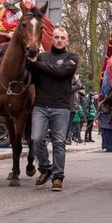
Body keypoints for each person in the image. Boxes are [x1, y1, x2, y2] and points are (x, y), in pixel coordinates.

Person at [26, 27, 79, 191]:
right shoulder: (42, 56)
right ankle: (45, 168)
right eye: (56, 37)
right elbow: (32, 74)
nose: (59, 40)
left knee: (59, 143)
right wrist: (32, 63)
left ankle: (58, 176)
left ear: (67, 41)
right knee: (36, 139)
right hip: (41, 105)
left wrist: (39, 65)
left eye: (62, 38)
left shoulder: (72, 58)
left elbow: (62, 72)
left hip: (61, 107)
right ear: (51, 39)